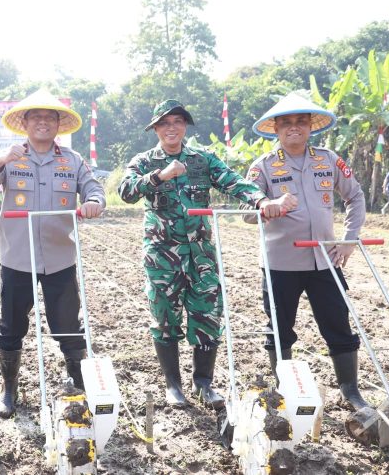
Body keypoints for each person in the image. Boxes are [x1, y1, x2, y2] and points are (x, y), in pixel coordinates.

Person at [117, 99, 291, 408]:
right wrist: (160, 176)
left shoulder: (202, 160)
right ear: (156, 128)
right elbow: (126, 192)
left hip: (201, 255)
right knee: (165, 317)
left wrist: (261, 200)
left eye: (178, 122)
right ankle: (173, 386)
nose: (172, 128)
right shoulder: (144, 161)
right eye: (165, 123)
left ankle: (203, 384)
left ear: (185, 126)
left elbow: (234, 182)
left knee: (207, 315)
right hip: (161, 256)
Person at [0, 89, 105, 418]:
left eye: (50, 117)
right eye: (36, 117)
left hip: (60, 259)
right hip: (17, 258)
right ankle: (9, 392)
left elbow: (94, 189)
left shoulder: (72, 161)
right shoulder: (11, 157)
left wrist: (94, 203)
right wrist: (0, 161)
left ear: (59, 124)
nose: (43, 122)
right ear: (25, 123)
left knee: (68, 327)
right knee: (11, 326)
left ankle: (79, 386)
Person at [246, 93, 369, 410]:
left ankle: (350, 391)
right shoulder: (262, 168)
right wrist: (268, 209)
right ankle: (283, 390)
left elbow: (355, 197)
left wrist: (348, 239)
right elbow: (246, 211)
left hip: (325, 260)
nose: (294, 128)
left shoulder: (328, 160)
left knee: (338, 324)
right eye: (286, 123)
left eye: (301, 121)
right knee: (279, 330)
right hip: (280, 264)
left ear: (310, 126)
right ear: (276, 129)